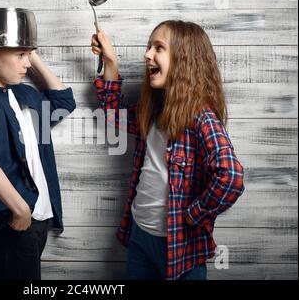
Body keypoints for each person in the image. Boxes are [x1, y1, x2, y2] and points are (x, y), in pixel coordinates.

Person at [90, 20, 245, 280]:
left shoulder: (201, 117)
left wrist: (193, 215)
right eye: (149, 47)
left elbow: (231, 179)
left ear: (184, 61)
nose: (147, 54)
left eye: (158, 48)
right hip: (140, 233)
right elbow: (114, 115)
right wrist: (111, 61)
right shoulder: (154, 109)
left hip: (178, 246)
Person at [0, 9, 76, 280]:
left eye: (29, 54)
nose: (27, 64)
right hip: (17, 221)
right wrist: (20, 208)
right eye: (20, 55)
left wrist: (29, 50)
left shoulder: (23, 92)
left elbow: (63, 103)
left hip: (38, 219)